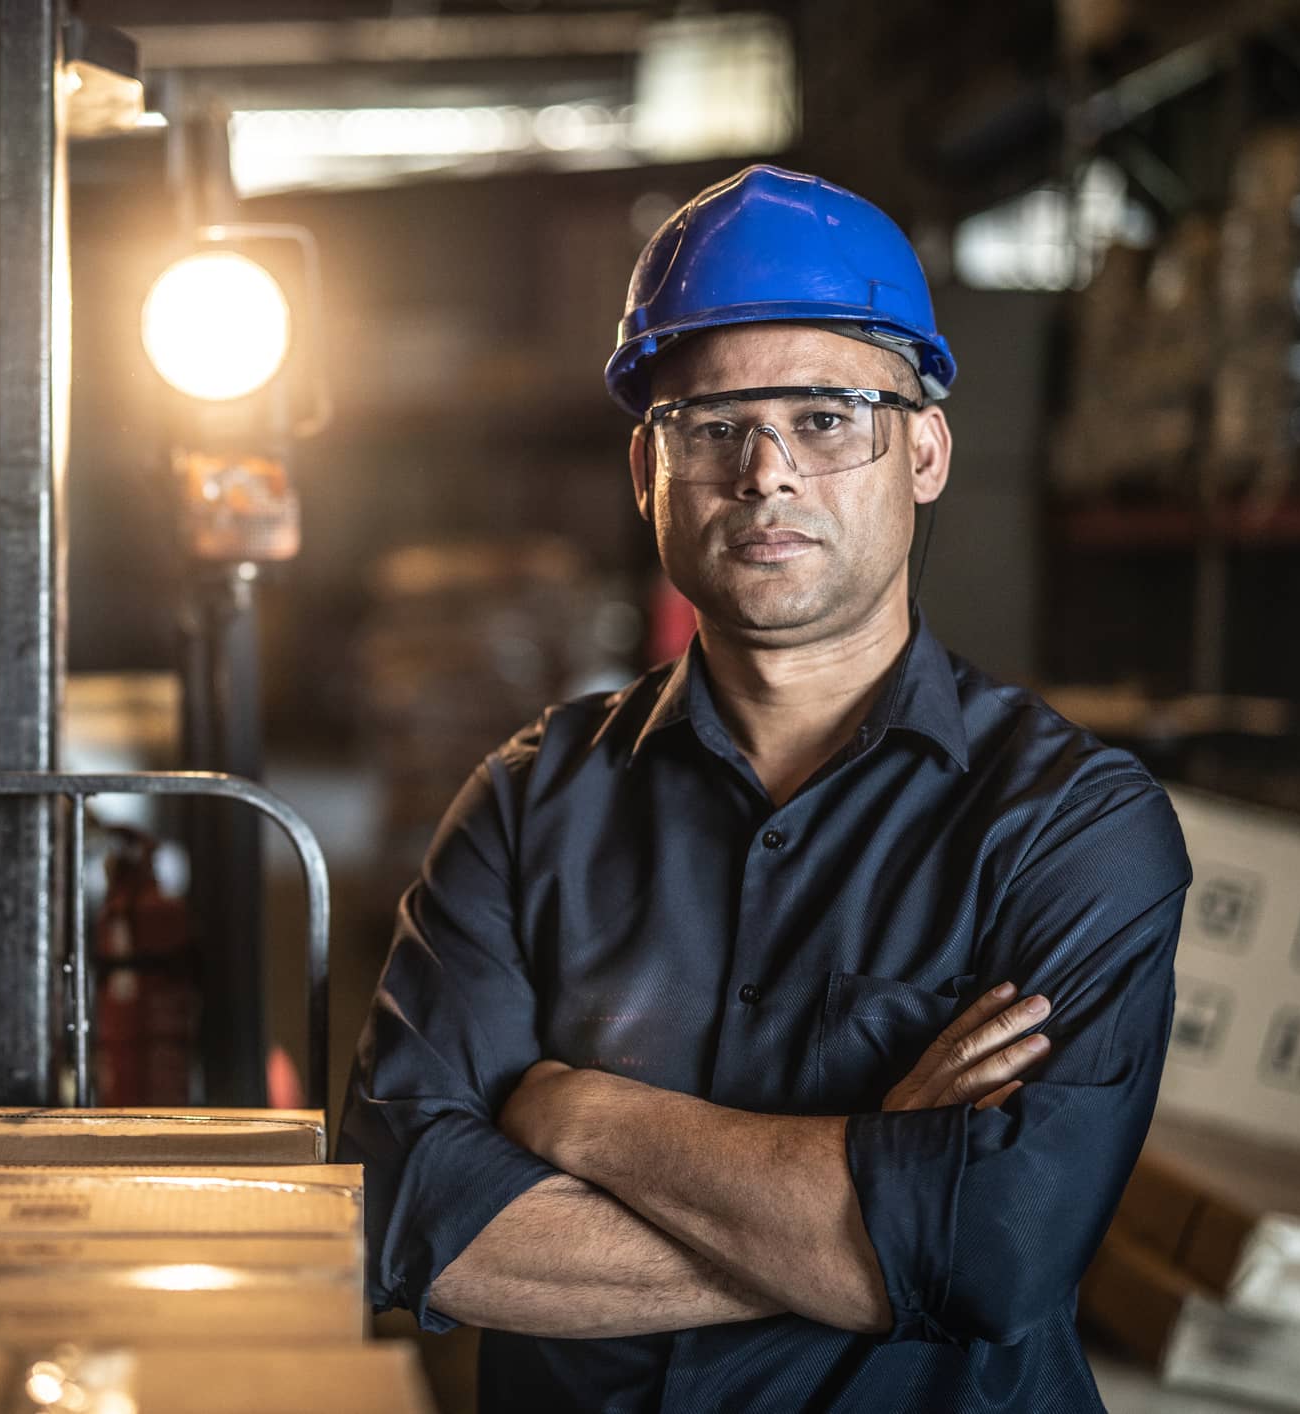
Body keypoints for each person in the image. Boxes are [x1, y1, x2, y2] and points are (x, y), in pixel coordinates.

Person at [335, 165, 1191, 1412]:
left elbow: (990, 1252)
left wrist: (577, 1113)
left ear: (927, 450)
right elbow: (412, 1218)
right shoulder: (528, 809)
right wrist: (868, 1201)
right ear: (646, 469)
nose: (766, 473)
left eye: (827, 418)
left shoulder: (1070, 828)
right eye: (712, 425)